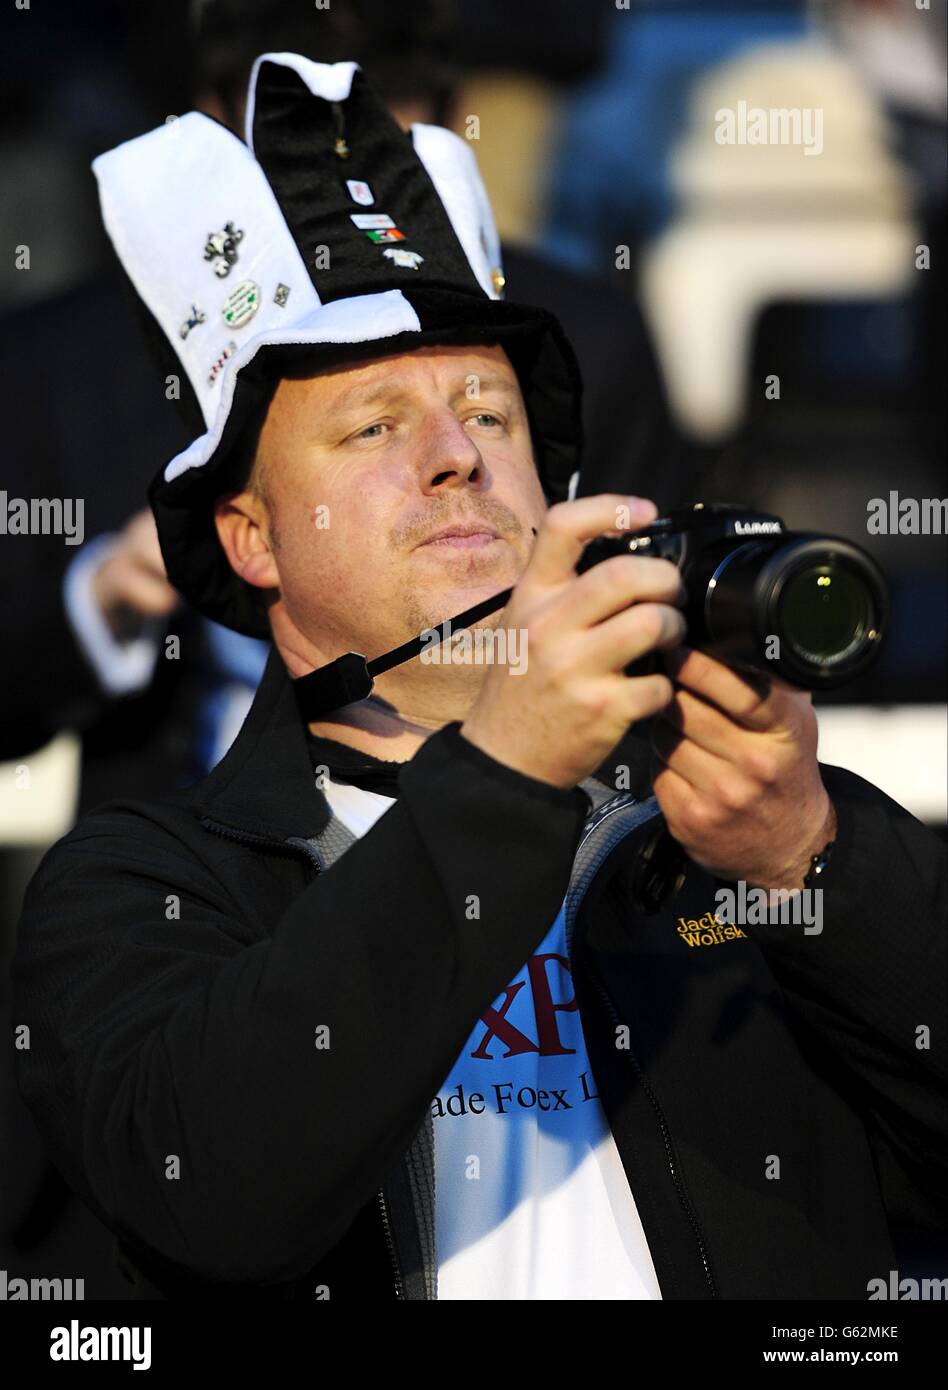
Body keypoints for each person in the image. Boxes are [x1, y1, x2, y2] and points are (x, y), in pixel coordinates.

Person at [12, 53, 946, 1301]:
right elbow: (215, 1194)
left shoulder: (722, 831)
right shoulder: (141, 885)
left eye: (491, 416)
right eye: (374, 426)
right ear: (251, 539)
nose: (454, 456)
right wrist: (510, 767)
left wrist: (811, 861)